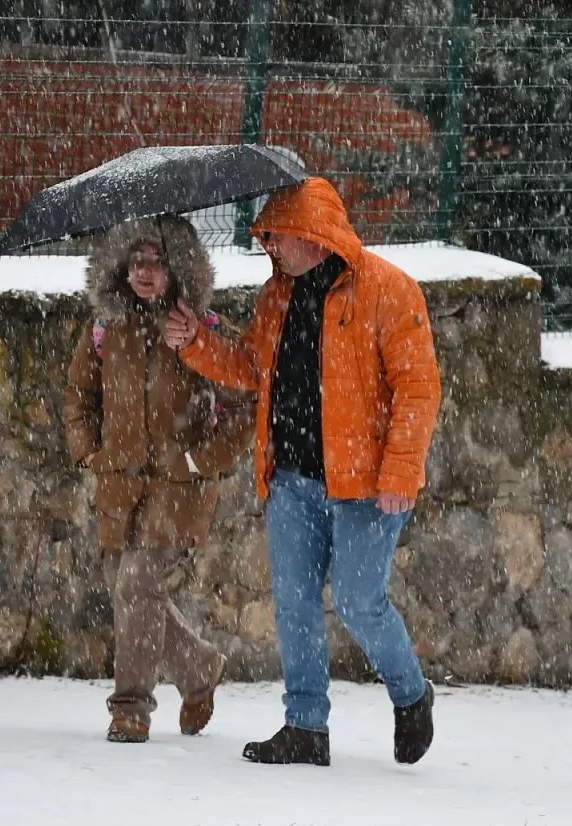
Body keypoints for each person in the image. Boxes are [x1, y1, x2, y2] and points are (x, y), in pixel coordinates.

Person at [163, 177, 443, 766]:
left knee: (359, 601)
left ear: (313, 236)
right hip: (291, 475)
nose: (270, 248)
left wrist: (400, 471)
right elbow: (251, 367)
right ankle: (306, 728)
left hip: (365, 485)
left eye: (277, 237)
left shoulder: (389, 291)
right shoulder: (276, 297)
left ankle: (412, 695)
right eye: (265, 239)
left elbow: (418, 389)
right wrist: (194, 342)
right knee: (293, 602)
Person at [64, 215, 255, 744]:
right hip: (119, 486)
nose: (146, 272)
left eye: (158, 261)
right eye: (137, 261)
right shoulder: (104, 327)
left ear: (180, 269)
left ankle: (130, 708)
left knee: (137, 584)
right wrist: (88, 452)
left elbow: (245, 404)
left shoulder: (203, 331)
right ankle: (197, 670)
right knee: (127, 588)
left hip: (178, 489)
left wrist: (200, 460)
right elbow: (80, 395)